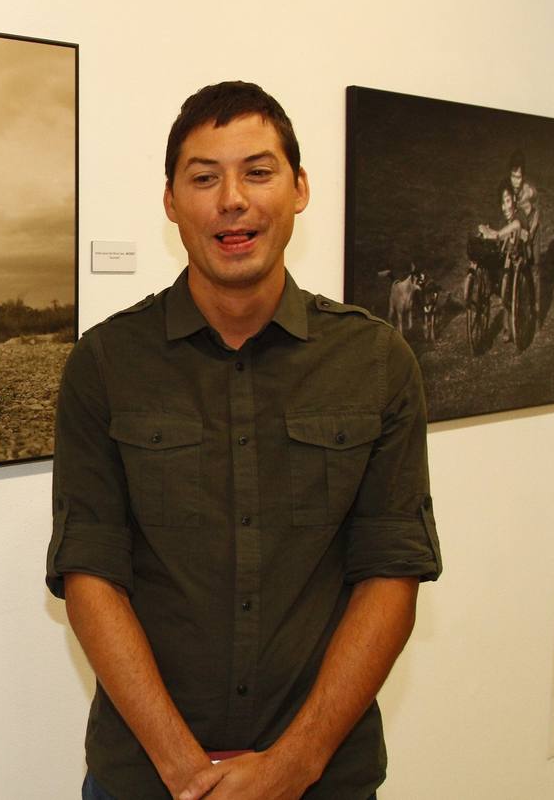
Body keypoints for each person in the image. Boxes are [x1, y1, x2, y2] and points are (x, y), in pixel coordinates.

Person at [46, 82, 442, 800]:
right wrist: (186, 773)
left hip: (325, 779)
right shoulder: (105, 364)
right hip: (146, 781)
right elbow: (89, 574)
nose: (233, 199)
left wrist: (295, 764)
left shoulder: (378, 362)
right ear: (171, 201)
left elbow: (392, 572)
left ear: (299, 189)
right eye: (204, 177)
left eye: (258, 171)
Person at [477, 182, 526, 342]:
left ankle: (511, 324)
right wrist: (488, 230)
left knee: (506, 282)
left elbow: (516, 227)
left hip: (520, 261)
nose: (505, 207)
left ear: (514, 200)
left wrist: (496, 234)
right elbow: (500, 235)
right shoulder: (506, 220)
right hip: (507, 260)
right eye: (502, 203)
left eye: (507, 201)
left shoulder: (519, 217)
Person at [506, 151, 543, 325]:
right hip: (518, 230)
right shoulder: (508, 190)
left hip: (532, 230)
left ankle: (535, 315)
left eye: (519, 177)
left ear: (524, 177)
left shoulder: (529, 190)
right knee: (512, 268)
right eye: (513, 176)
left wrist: (531, 235)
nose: (516, 181)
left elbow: (536, 215)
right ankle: (511, 319)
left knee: (533, 269)